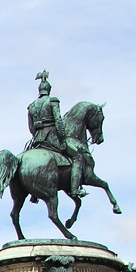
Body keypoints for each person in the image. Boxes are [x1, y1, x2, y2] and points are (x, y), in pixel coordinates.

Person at [27, 70, 87, 198]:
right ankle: (75, 189)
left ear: (39, 90)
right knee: (77, 157)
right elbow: (58, 120)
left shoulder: (31, 106)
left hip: (37, 140)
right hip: (52, 138)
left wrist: (37, 136)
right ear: (49, 89)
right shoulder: (53, 101)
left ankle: (33, 193)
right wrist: (62, 137)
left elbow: (31, 127)